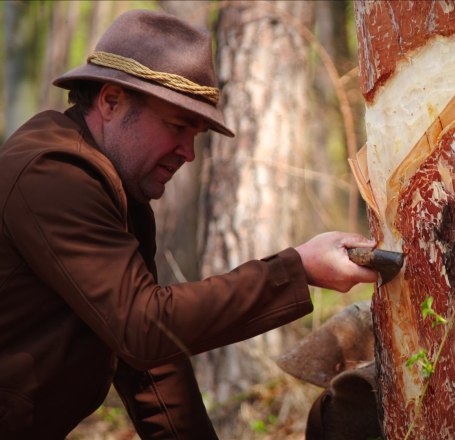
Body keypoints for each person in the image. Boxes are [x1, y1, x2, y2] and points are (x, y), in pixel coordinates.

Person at [0, 9, 377, 439]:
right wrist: (298, 268)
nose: (188, 152)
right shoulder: (54, 174)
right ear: (109, 101)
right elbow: (141, 326)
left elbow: (150, 364)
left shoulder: (111, 187)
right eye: (177, 126)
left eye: (196, 134)